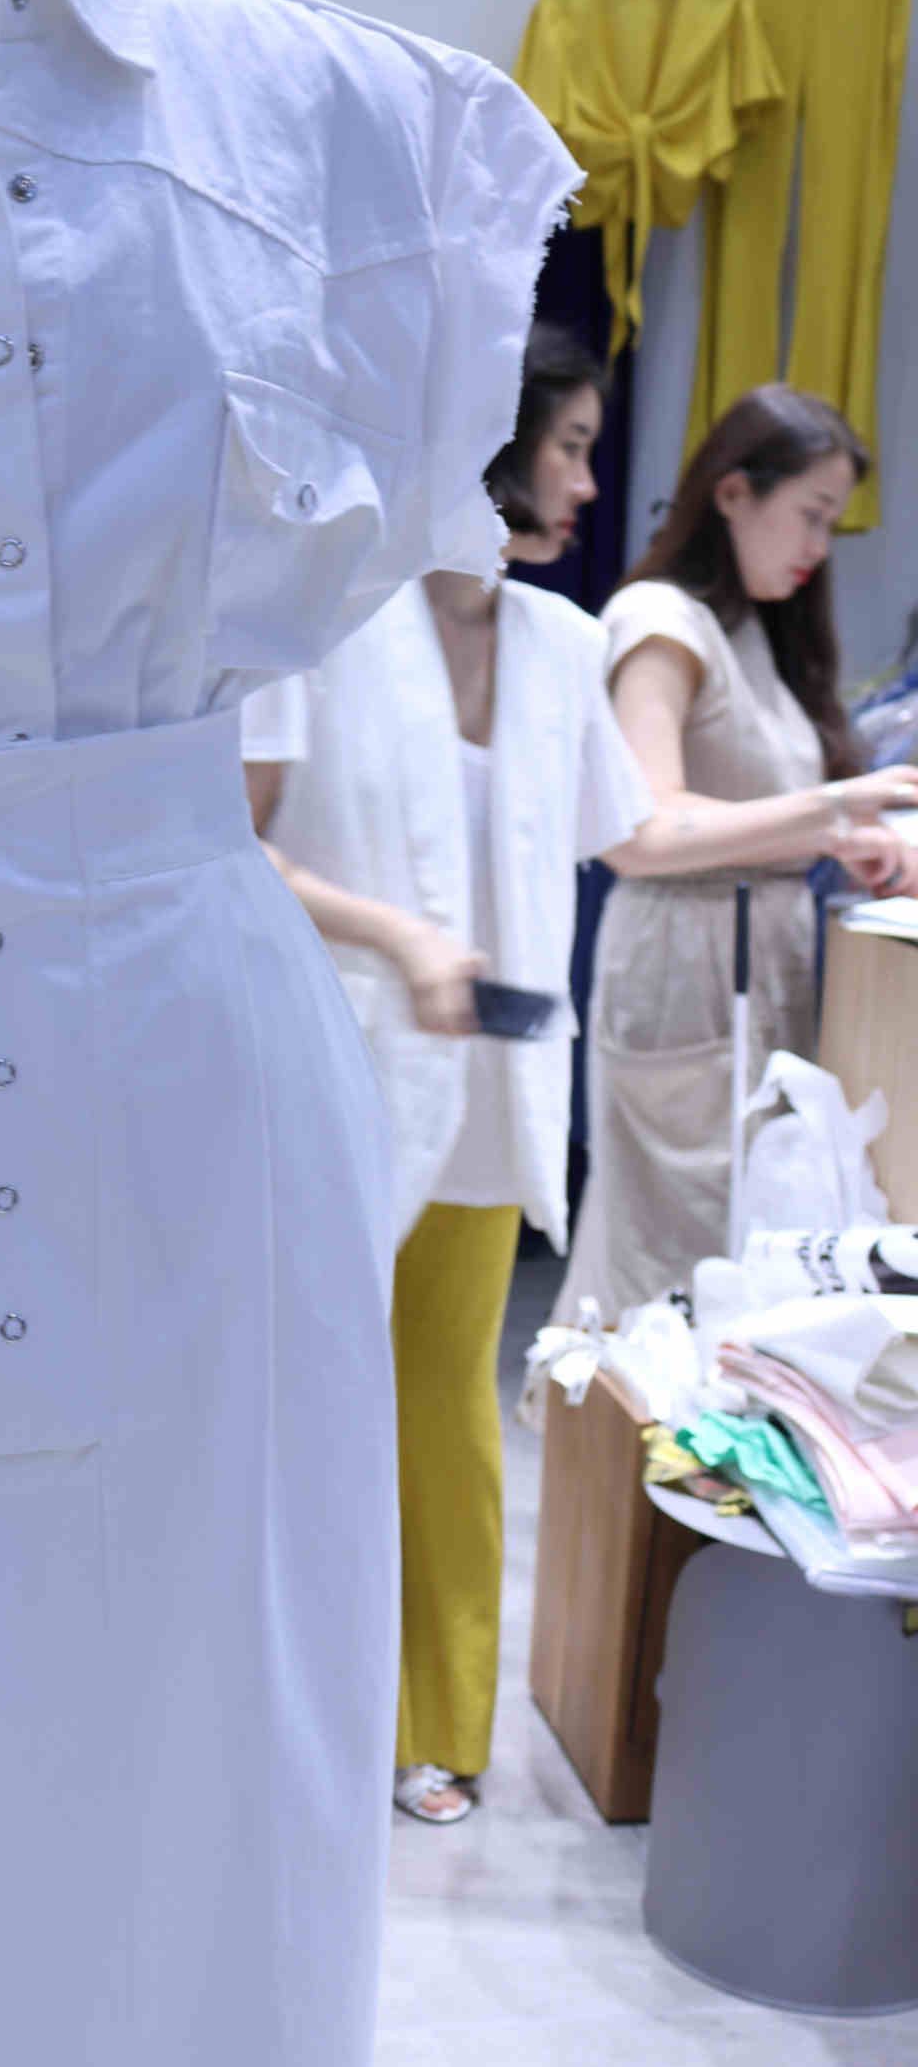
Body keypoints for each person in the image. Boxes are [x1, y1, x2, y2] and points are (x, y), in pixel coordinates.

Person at [243, 323, 653, 1826]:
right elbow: (228, 848)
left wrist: (834, 816)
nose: (588, 484)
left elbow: (632, 836)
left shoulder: (565, 646)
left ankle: (442, 1729)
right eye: (569, 447)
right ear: (488, 446)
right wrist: (400, 937)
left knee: (449, 1411)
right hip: (335, 1074)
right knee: (304, 1409)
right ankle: (297, 1715)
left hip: (493, 1086)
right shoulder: (324, 623)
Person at [556, 385, 918, 1329]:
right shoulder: (660, 619)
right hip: (687, 966)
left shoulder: (756, 630)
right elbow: (640, 831)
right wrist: (830, 812)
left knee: (745, 1256)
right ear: (731, 493)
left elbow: (759, 816)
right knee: (668, 1268)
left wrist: (847, 841)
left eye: (831, 523)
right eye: (811, 514)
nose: (819, 546)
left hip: (766, 960)